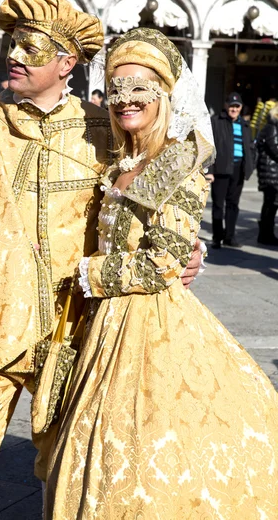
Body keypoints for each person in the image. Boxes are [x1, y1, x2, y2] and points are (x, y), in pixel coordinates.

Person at [0, 0, 202, 520]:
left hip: (77, 327)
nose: (16, 55)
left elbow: (141, 205)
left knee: (69, 453)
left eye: (31, 46)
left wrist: (190, 250)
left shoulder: (105, 130)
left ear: (66, 63)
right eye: (12, 44)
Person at [45, 28, 278, 519]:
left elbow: (163, 261)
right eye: (117, 89)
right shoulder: (118, 162)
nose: (125, 100)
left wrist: (89, 271)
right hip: (104, 325)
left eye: (139, 90)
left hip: (150, 324)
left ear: (165, 97)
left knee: (145, 441)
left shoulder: (180, 163)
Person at [207, 92, 254, 248]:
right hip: (221, 169)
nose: (234, 109)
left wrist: (250, 165)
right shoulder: (216, 122)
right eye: (231, 106)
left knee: (233, 204)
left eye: (237, 106)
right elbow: (209, 147)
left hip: (238, 169)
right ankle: (217, 237)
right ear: (226, 106)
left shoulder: (245, 125)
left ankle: (230, 237)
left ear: (241, 108)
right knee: (218, 205)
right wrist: (210, 170)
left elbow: (250, 147)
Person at [256, 104, 278, 245]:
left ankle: (267, 233)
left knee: (271, 204)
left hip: (272, 172)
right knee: (270, 204)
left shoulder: (272, 127)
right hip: (270, 173)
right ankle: (265, 234)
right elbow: (275, 149)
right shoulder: (271, 128)